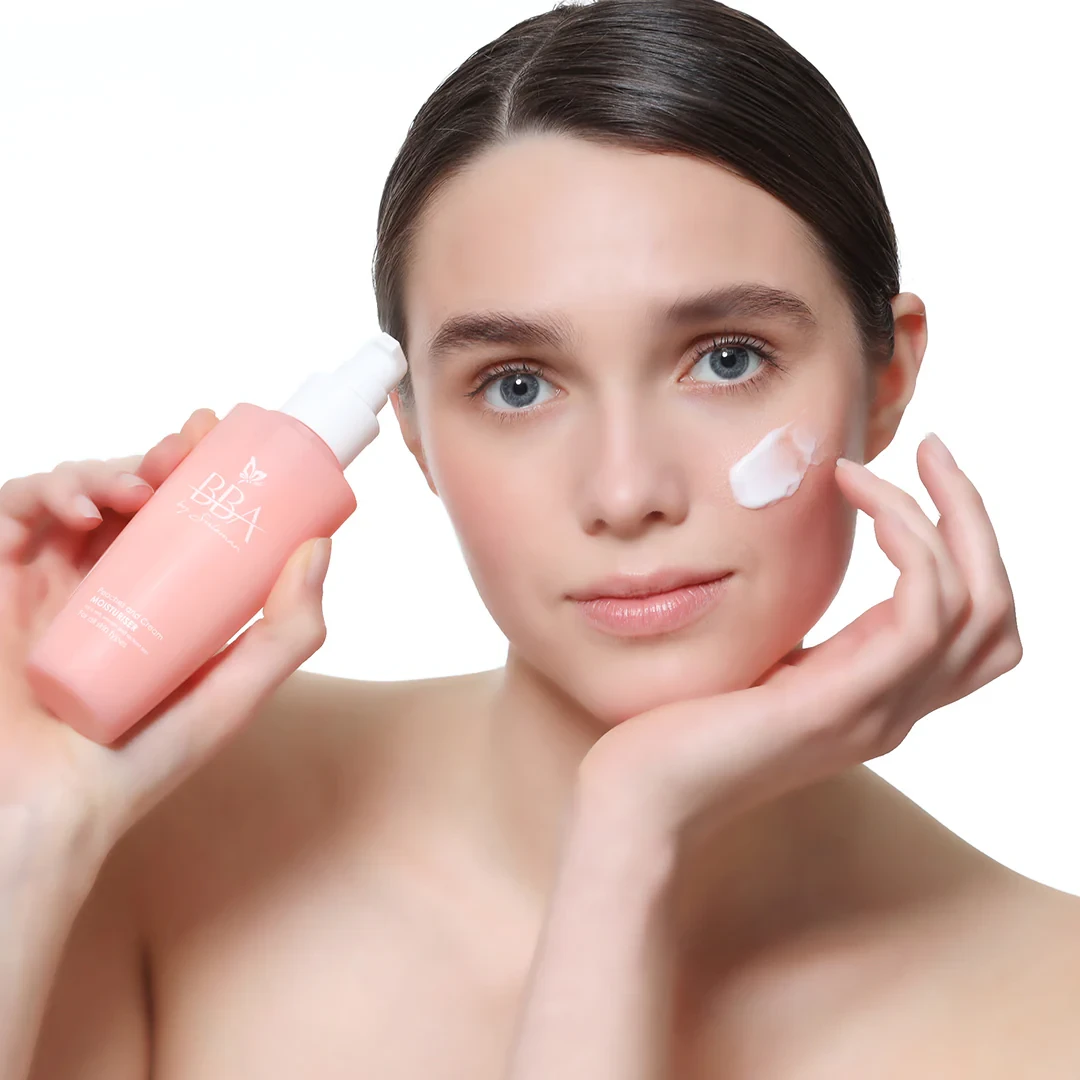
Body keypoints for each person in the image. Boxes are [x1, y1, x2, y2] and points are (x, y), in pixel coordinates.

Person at [3, 0, 1076, 1076]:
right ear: (414, 433)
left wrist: (630, 829)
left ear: (887, 378)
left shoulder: (1050, 1003)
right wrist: (28, 829)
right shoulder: (170, 816)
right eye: (517, 385)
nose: (625, 491)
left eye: (728, 358)